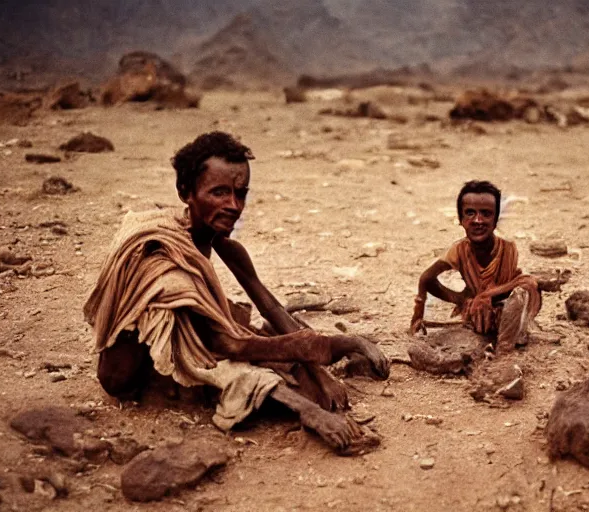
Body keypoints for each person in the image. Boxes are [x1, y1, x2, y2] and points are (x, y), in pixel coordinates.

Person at [84, 132, 390, 454]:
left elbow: (269, 305)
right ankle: (308, 414)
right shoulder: (165, 253)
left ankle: (304, 388)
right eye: (219, 193)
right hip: (138, 374)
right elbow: (223, 346)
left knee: (263, 342)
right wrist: (337, 345)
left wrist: (321, 371)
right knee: (246, 370)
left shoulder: (223, 246)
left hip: (203, 343)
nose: (234, 205)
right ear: (186, 192)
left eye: (240, 194)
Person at [410, 180, 541, 349]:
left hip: (506, 310)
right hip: (477, 315)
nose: (478, 220)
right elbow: (426, 279)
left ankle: (505, 347)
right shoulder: (460, 250)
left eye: (486, 214)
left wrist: (488, 295)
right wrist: (461, 300)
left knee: (523, 289)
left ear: (495, 219)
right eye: (470, 213)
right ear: (461, 219)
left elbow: (512, 289)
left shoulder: (507, 249)